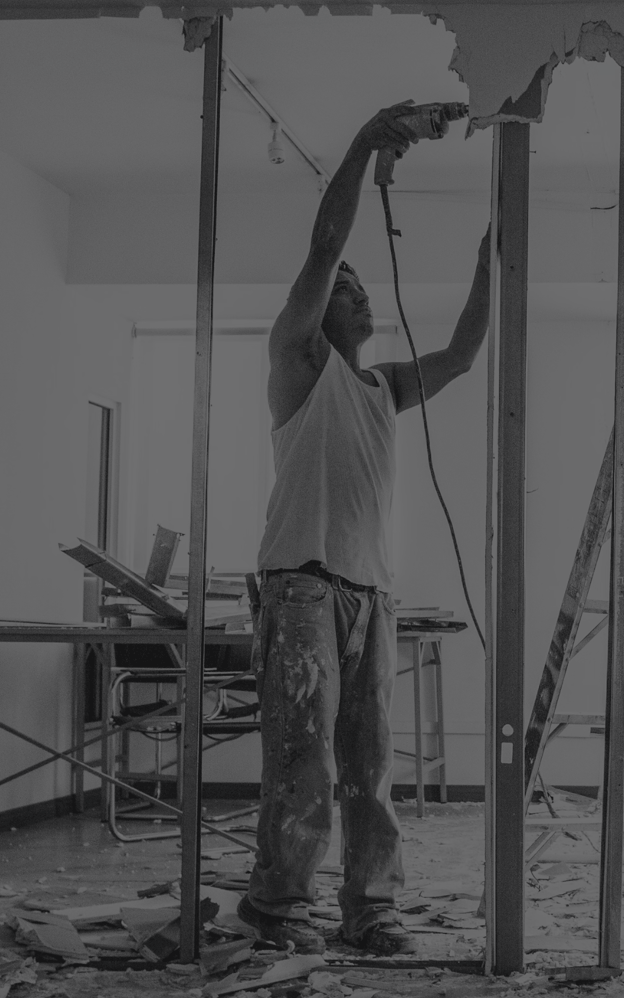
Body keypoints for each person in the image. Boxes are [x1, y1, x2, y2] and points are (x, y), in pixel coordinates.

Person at [240, 100, 490, 956]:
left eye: (361, 287)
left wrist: (496, 261)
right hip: (303, 582)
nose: (357, 290)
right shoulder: (298, 366)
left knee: (370, 770)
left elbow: (459, 354)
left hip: (370, 594)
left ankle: (370, 908)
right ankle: (279, 909)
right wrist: (364, 142)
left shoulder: (383, 386)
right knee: (302, 762)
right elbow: (323, 248)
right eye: (347, 287)